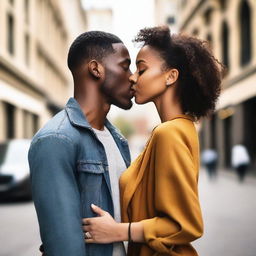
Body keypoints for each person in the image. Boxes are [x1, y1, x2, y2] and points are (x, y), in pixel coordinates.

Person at [82, 26, 222, 256]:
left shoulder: (169, 133)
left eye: (141, 69)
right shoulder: (181, 127)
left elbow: (184, 224)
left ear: (171, 76)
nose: (132, 77)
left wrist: (117, 231)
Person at [28, 31, 134, 256]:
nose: (133, 77)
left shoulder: (117, 140)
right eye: (126, 67)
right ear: (96, 69)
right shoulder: (56, 140)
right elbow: (64, 248)